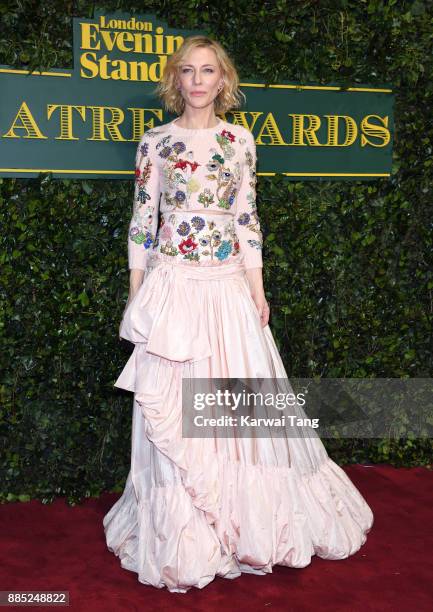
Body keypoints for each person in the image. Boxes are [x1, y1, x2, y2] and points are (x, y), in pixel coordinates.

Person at [103, 35, 374, 594]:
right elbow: (141, 221)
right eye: (187, 71)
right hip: (173, 287)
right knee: (174, 409)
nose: (197, 80)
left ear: (222, 80)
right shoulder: (155, 143)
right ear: (174, 80)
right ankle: (182, 527)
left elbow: (246, 218)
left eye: (207, 70)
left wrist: (258, 288)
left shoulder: (238, 141)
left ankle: (245, 519)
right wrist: (136, 291)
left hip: (228, 289)